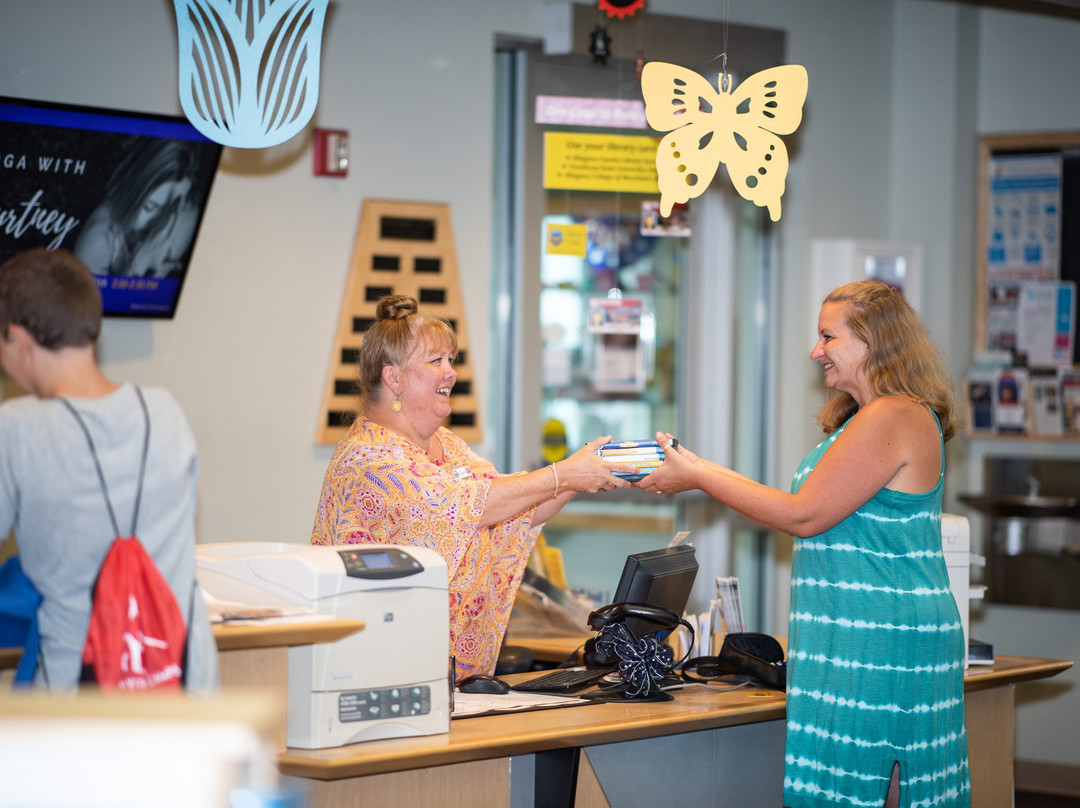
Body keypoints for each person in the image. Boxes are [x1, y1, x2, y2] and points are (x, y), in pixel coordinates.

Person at [635, 280, 970, 808]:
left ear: (873, 341)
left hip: (881, 640)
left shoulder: (893, 415)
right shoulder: (870, 418)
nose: (816, 352)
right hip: (858, 631)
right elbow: (805, 505)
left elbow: (804, 514)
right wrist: (698, 468)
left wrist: (698, 478)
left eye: (828, 337)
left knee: (872, 786)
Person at [310, 294, 634, 681]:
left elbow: (515, 508)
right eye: (436, 361)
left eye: (452, 359)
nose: (451, 372)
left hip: (451, 681)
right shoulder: (369, 459)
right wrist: (565, 474)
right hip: (381, 677)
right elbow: (469, 506)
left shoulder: (447, 445)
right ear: (393, 378)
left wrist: (585, 472)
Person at [0, 247, 218, 693]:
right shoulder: (165, 412)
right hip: (183, 686)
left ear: (20, 341)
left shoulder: (16, 427)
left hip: (80, 698)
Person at [74, 138, 206, 278]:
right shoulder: (98, 239)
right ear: (133, 189)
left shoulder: (187, 215)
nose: (160, 224)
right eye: (150, 206)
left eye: (173, 208)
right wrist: (138, 265)